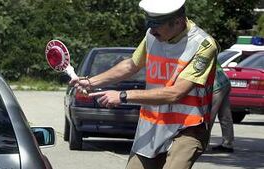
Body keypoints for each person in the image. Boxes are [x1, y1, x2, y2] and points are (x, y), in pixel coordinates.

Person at [70, 0, 218, 168]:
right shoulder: (151, 35)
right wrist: (90, 82)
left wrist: (124, 96)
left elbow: (176, 93)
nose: (151, 30)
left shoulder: (203, 45)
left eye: (156, 24)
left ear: (177, 21)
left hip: (187, 128)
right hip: (153, 125)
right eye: (148, 23)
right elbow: (131, 65)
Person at [209, 64, 234, 152]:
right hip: (225, 81)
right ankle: (228, 144)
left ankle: (202, 144)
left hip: (216, 85)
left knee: (209, 116)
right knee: (225, 115)